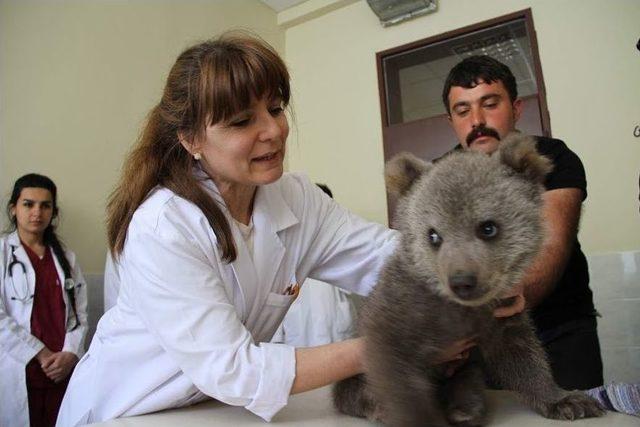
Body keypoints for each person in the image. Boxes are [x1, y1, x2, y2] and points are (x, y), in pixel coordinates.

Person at [57, 33, 520, 426]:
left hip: (208, 408)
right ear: (191, 140)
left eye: (275, 109)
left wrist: (484, 272)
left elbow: (392, 257)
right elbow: (235, 370)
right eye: (242, 121)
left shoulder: (294, 198)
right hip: (124, 411)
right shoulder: (165, 227)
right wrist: (392, 345)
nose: (273, 131)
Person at [441, 55, 603, 390]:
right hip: (474, 343)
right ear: (451, 120)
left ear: (516, 108)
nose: (477, 120)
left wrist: (511, 297)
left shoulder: (552, 158)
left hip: (559, 333)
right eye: (463, 110)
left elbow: (552, 244)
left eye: (490, 103)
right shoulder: (439, 175)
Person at [0, 173, 88, 427]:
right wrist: (40, 354)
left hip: (60, 372)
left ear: (53, 212)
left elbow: (80, 315)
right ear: (13, 209)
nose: (37, 212)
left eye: (45, 205)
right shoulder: (3, 254)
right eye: (28, 204)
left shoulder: (66, 259)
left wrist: (70, 354)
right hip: (22, 369)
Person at [271, 184, 358, 347]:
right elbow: (276, 300)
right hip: (301, 338)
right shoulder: (283, 247)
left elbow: (355, 280)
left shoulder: (339, 244)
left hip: (336, 335)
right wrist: (276, 340)